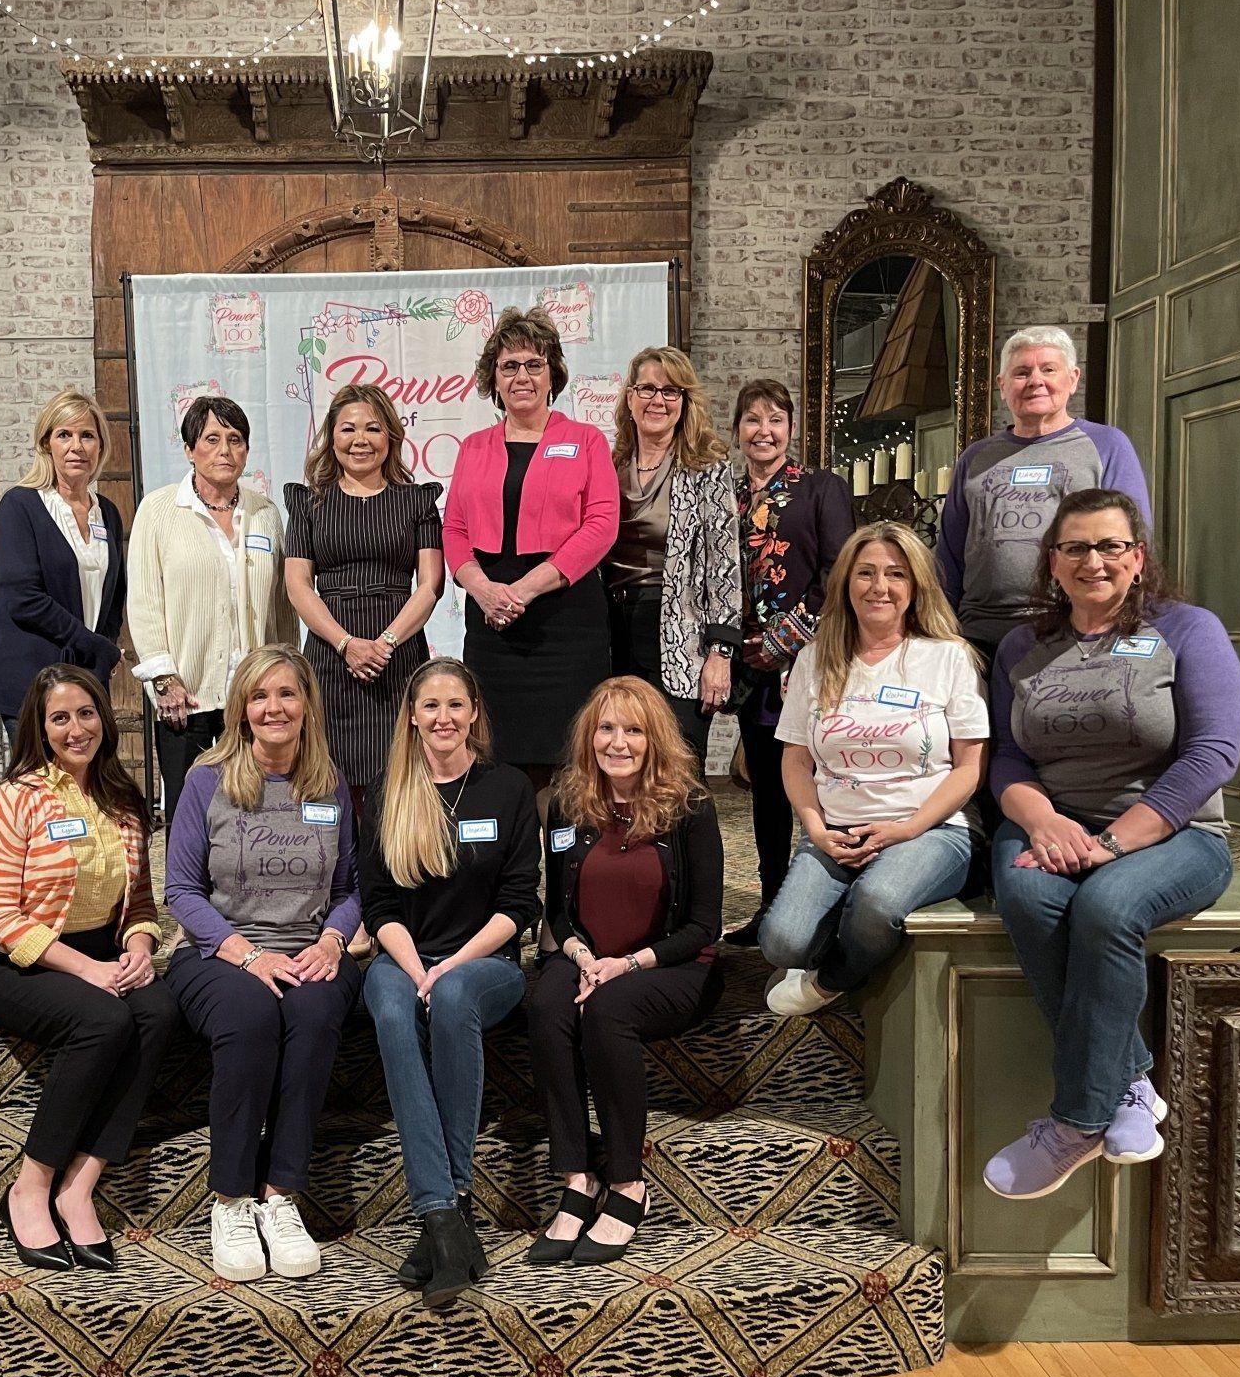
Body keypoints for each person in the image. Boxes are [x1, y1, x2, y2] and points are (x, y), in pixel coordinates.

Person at [981, 489, 1240, 1200]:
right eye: (1075, 548)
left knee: (1105, 907)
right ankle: (1131, 1084)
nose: (1093, 561)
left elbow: (1214, 752)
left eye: (1110, 546)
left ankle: (1076, 1122)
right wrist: (1043, 824)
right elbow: (1007, 759)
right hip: (1051, 824)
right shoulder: (1021, 646)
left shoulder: (1188, 630)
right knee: (1031, 898)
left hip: (1175, 834)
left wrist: (1116, 843)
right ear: (1052, 563)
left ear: (1138, 557)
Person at [163, 645, 362, 1282]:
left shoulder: (329, 782)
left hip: (309, 947)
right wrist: (247, 955)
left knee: (313, 1012)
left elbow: (352, 888)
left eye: (286, 694)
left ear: (307, 705)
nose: (273, 708)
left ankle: (281, 1196)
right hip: (217, 951)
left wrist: (333, 941)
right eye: (259, 696)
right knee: (249, 1016)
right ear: (241, 710)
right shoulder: (206, 779)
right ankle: (230, 1199)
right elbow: (182, 892)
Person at [0, 666, 176, 1272]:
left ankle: (81, 1183)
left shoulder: (123, 801)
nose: (76, 728)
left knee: (159, 1010)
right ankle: (31, 1184)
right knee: (105, 1021)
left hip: (104, 953)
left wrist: (140, 949)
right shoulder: (16, 799)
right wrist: (88, 969)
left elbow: (140, 904)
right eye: (59, 717)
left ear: (103, 719)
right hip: (24, 962)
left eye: (86, 713)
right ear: (40, 726)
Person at [526, 676, 724, 1265]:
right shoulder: (567, 803)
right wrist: (585, 956)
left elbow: (702, 927)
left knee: (607, 1013)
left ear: (654, 738)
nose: (618, 742)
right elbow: (558, 910)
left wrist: (626, 966)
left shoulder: (690, 805)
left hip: (671, 964)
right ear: (591, 737)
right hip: (590, 955)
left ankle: (627, 1180)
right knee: (546, 1006)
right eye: (607, 729)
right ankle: (576, 1178)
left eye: (633, 730)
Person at [360, 658, 539, 1307]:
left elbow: (521, 903)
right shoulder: (389, 789)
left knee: (456, 996)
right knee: (389, 1005)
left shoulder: (507, 789)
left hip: (485, 962)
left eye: (455, 705)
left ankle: (444, 1204)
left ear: (474, 714)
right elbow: (378, 906)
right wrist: (417, 971)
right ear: (412, 716)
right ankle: (446, 1214)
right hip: (404, 956)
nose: (442, 717)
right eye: (429, 705)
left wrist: (449, 968)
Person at [759, 523, 988, 1015]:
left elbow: (971, 766)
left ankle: (833, 980)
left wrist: (907, 828)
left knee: (879, 903)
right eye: (865, 573)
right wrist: (815, 828)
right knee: (781, 943)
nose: (879, 587)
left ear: (915, 586)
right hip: (835, 830)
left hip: (931, 828)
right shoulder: (815, 659)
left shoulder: (948, 657)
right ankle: (855, 930)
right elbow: (796, 759)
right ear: (845, 582)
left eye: (895, 574)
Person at [443, 306, 619, 786]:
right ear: (493, 380)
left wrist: (524, 589)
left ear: (552, 374)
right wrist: (482, 590)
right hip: (491, 624)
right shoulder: (473, 447)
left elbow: (601, 524)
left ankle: (565, 860)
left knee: (569, 763)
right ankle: (511, 860)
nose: (522, 376)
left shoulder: (585, 441)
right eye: (509, 366)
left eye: (533, 365)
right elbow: (454, 530)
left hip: (564, 622)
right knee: (493, 758)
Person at [937, 326, 1153, 669]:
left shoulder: (1107, 446)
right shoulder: (975, 458)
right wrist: (941, 632)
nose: (1035, 380)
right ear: (1002, 385)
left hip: (1070, 630)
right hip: (977, 636)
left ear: (1072, 378)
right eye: (1022, 372)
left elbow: (1132, 542)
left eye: (1048, 369)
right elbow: (947, 555)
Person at [729, 377, 856, 947]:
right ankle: (772, 902)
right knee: (767, 789)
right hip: (747, 665)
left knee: (818, 778)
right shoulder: (724, 496)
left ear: (792, 429)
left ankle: (826, 901)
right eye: (753, 420)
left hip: (806, 659)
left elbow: (838, 569)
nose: (764, 430)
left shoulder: (821, 488)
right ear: (738, 431)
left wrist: (787, 638)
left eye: (776, 419)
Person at [130, 395, 298, 823]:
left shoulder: (265, 513)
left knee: (255, 812)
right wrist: (164, 681)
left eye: (236, 439)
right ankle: (185, 892)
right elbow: (146, 601)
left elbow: (281, 608)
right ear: (189, 449)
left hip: (254, 699)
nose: (225, 450)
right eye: (212, 439)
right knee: (191, 814)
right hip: (187, 696)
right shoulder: (160, 509)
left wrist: (283, 679)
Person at [283, 383, 445, 805]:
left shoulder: (417, 501)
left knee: (399, 781)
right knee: (328, 778)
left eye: (372, 429)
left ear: (390, 436)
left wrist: (386, 643)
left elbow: (430, 585)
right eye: (347, 429)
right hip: (329, 652)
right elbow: (298, 586)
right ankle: (338, 871)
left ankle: (390, 871)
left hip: (399, 651)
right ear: (331, 437)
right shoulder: (309, 503)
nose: (360, 441)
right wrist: (347, 644)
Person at [603, 346, 740, 763]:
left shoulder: (708, 468)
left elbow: (725, 565)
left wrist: (721, 652)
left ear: (685, 402)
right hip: (610, 630)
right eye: (647, 389)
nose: (657, 400)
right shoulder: (609, 464)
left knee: (676, 772)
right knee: (619, 764)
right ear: (629, 398)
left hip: (680, 635)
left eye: (671, 391)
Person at [0, 388, 130, 740]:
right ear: (46, 443)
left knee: (83, 790)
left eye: (87, 436)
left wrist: (103, 646)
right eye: (64, 435)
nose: (76, 446)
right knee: (39, 791)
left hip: (85, 682)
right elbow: (23, 598)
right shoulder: (20, 506)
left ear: (100, 446)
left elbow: (114, 595)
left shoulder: (107, 513)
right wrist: (93, 644)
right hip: (32, 681)